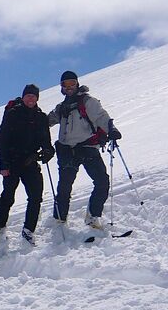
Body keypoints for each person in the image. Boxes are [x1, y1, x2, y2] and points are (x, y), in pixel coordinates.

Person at [48, 70, 122, 229]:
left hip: (87, 147)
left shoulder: (88, 101)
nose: (69, 87)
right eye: (65, 84)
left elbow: (102, 117)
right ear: (61, 87)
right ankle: (59, 219)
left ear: (77, 83)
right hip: (67, 149)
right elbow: (47, 121)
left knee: (102, 182)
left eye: (72, 83)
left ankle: (93, 215)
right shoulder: (61, 107)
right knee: (64, 187)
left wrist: (112, 130)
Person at [0, 86, 54, 245]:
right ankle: (0, 225)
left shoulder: (41, 117)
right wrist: (4, 164)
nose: (31, 99)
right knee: (8, 196)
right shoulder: (13, 114)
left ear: (37, 98)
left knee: (36, 196)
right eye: (28, 96)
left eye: (33, 96)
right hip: (12, 162)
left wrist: (48, 151)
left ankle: (28, 230)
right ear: (23, 97)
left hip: (30, 161)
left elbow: (46, 140)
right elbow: (3, 141)